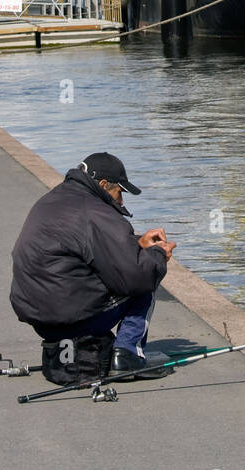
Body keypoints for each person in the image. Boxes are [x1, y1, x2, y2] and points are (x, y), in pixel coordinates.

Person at [10, 152, 176, 378]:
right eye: (120, 192)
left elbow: (84, 248)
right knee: (148, 276)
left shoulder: (54, 199)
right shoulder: (96, 212)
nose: (121, 201)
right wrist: (157, 253)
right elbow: (137, 276)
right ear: (104, 184)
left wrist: (137, 243)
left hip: (40, 318)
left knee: (133, 267)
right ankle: (127, 355)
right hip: (70, 320)